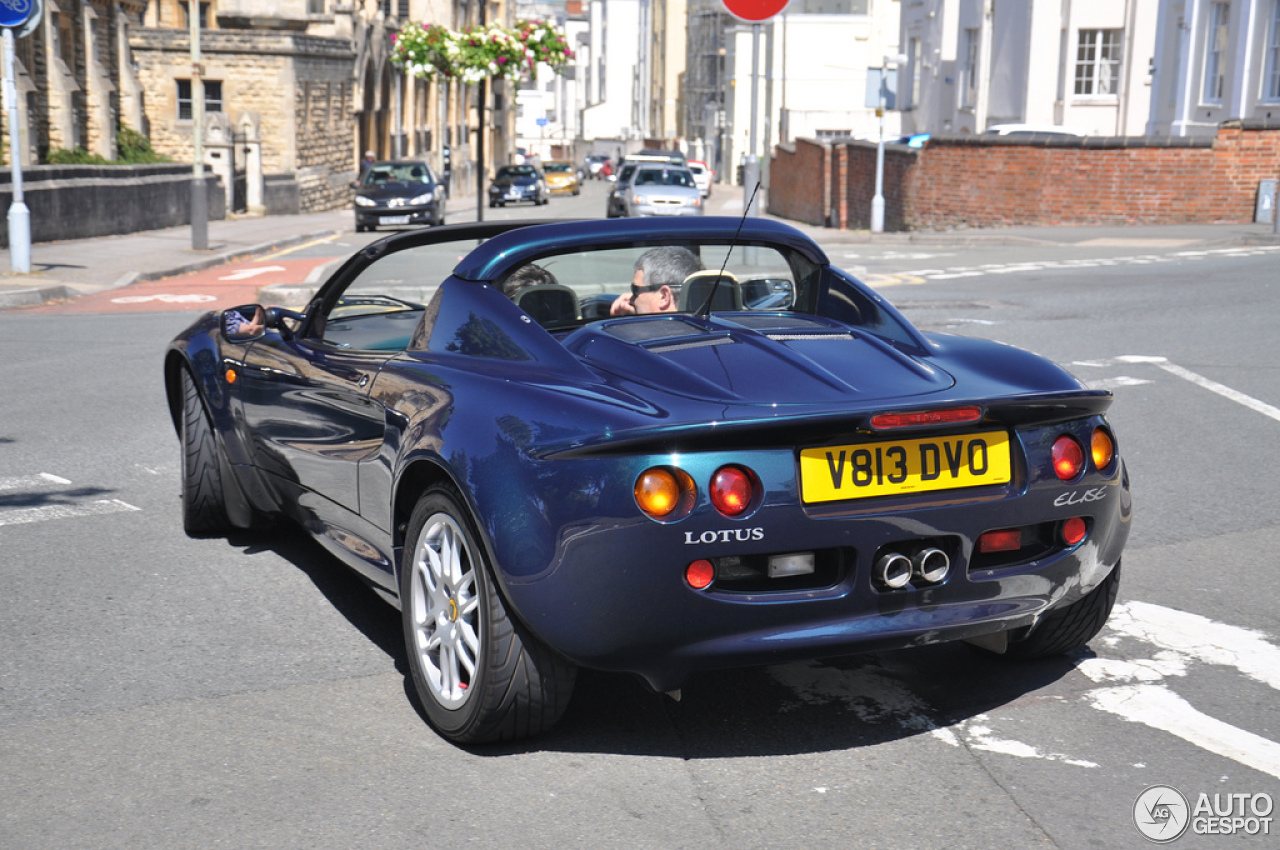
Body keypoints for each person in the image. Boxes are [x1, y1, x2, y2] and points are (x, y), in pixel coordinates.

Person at [610, 246, 703, 316]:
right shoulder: (711, 328)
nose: (630, 300)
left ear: (664, 296)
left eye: (635, 291)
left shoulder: (642, 337)